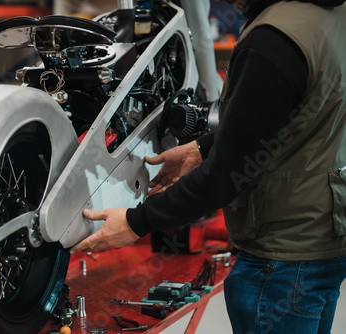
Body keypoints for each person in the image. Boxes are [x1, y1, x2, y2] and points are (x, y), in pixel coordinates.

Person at [70, 0, 346, 332]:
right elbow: (288, 119)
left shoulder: (273, 40)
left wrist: (135, 222)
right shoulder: (329, 14)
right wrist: (202, 148)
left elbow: (224, 176)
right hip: (325, 237)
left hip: (280, 258)